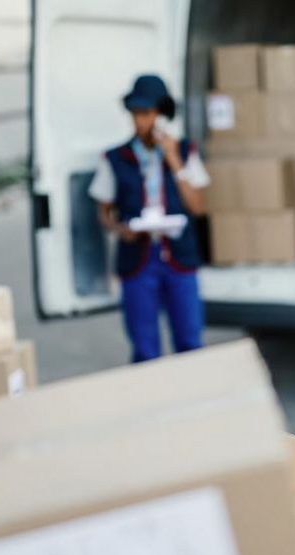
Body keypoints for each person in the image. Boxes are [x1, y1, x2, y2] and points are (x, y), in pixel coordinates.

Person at [88, 74, 210, 363]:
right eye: (135, 114)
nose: (140, 122)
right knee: (145, 348)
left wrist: (173, 160)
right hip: (138, 259)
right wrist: (120, 229)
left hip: (179, 256)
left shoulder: (184, 151)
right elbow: (104, 212)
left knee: (190, 341)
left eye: (146, 114)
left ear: (161, 115)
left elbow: (198, 206)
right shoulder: (115, 158)